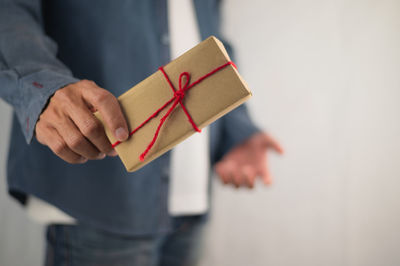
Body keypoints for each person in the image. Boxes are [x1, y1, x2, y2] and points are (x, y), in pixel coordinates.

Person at [0, 0, 283, 265]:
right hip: (99, 195)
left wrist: (238, 132)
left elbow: (211, 35)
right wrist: (41, 86)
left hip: (191, 195)